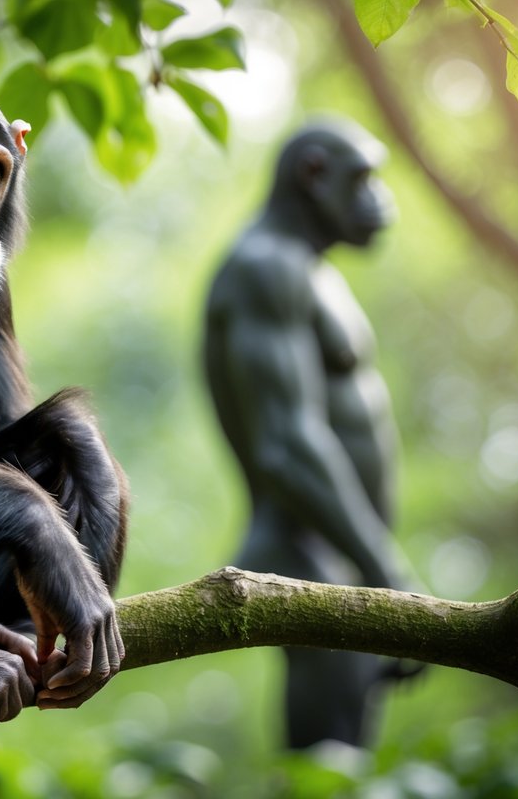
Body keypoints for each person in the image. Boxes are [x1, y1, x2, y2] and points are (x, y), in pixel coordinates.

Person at [204, 120, 414, 748]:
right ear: (314, 174)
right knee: (328, 766)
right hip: (302, 552)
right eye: (362, 179)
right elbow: (286, 445)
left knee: (350, 756)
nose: (380, 198)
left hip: (340, 559)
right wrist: (390, 573)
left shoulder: (313, 272)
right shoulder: (264, 267)